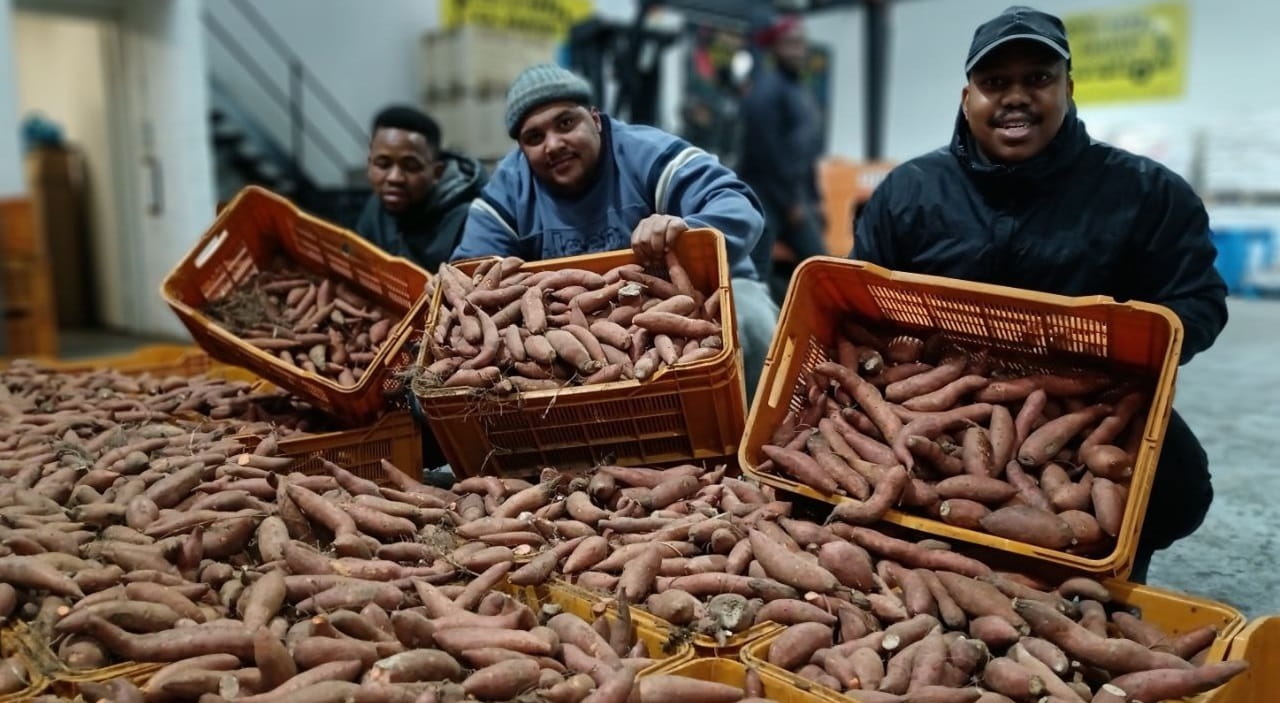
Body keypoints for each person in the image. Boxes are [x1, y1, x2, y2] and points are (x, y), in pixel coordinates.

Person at [852, 6, 1228, 583]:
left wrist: (1122, 346)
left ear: (1069, 88)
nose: (1016, 97)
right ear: (967, 97)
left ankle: (1108, 576)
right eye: (995, 83)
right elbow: (860, 299)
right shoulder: (910, 191)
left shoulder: (1147, 194)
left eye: (1038, 79)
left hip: (1092, 403)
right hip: (938, 398)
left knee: (1175, 485)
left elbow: (1198, 302)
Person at [452, 63, 779, 400]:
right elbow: (473, 269)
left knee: (750, 321)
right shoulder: (510, 187)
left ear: (595, 119)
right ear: (521, 150)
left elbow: (737, 204)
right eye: (534, 137)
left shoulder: (643, 151)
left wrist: (684, 226)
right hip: (579, 324)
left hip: (700, 298)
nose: (553, 144)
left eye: (565, 123)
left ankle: (748, 440)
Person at [737, 14, 827, 303]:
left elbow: (806, 153)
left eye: (801, 43)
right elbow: (768, 155)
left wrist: (813, 199)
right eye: (790, 44)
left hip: (794, 196)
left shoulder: (799, 90)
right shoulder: (766, 92)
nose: (798, 50)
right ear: (774, 48)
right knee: (755, 275)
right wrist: (791, 203)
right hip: (766, 198)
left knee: (823, 268)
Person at [355, 105, 485, 272]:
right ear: (370, 164)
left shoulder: (467, 218)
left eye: (410, 166)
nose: (394, 178)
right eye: (383, 164)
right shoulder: (376, 205)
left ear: (437, 173)